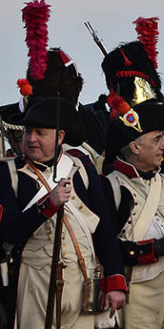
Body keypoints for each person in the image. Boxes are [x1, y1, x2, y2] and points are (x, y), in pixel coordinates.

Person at [0, 97, 127, 328]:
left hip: (84, 284)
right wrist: (47, 206)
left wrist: (115, 279)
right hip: (35, 287)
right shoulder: (8, 173)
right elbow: (9, 231)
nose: (31, 139)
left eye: (40, 133)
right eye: (28, 132)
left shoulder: (81, 167)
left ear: (59, 137)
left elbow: (104, 227)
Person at [101, 98, 164, 328]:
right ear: (135, 147)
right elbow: (105, 248)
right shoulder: (111, 187)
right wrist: (153, 249)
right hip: (137, 297)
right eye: (157, 140)